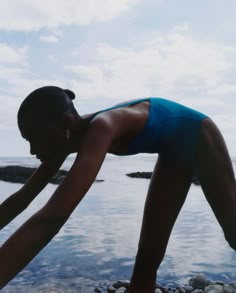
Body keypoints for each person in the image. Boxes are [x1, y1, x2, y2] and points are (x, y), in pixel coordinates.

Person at [0, 86, 235, 293]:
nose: (31, 150)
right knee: (147, 257)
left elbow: (50, 219)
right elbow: (20, 199)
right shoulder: (62, 141)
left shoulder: (102, 127)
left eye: (34, 137)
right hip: (171, 149)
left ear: (65, 123)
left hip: (198, 133)